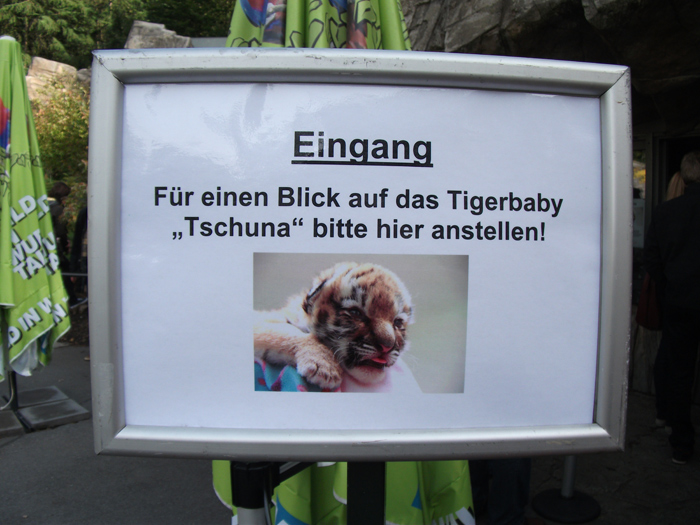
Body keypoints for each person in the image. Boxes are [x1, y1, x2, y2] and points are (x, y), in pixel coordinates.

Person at [643, 150, 700, 464]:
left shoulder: (666, 212)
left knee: (679, 371)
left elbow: (652, 258)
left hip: (679, 301)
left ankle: (681, 442)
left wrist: (669, 289)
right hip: (681, 299)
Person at [47, 181, 78, 305]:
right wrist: (65, 246)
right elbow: (60, 231)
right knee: (65, 270)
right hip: (54, 247)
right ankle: (71, 299)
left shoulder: (41, 204)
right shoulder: (57, 209)